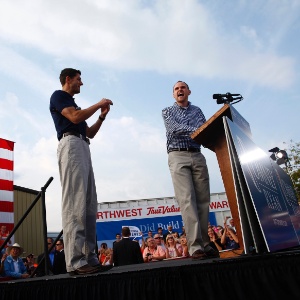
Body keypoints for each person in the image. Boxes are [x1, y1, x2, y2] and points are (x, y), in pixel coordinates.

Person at [50, 68, 113, 276]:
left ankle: (89, 258)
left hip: (83, 144)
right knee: (75, 203)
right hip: (70, 144)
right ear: (68, 79)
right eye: (78, 79)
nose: (81, 83)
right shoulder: (59, 96)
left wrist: (101, 117)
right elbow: (75, 118)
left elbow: (89, 132)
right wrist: (98, 104)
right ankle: (75, 261)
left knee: (88, 205)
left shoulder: (74, 105)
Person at [162, 81, 219, 260]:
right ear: (173, 94)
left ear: (189, 91)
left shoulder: (197, 111)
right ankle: (195, 247)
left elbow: (205, 130)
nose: (180, 90)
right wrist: (197, 129)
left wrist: (201, 131)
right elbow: (175, 129)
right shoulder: (167, 111)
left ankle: (205, 243)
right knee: (187, 200)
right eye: (176, 89)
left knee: (203, 200)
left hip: (197, 154)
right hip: (178, 156)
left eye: (183, 88)